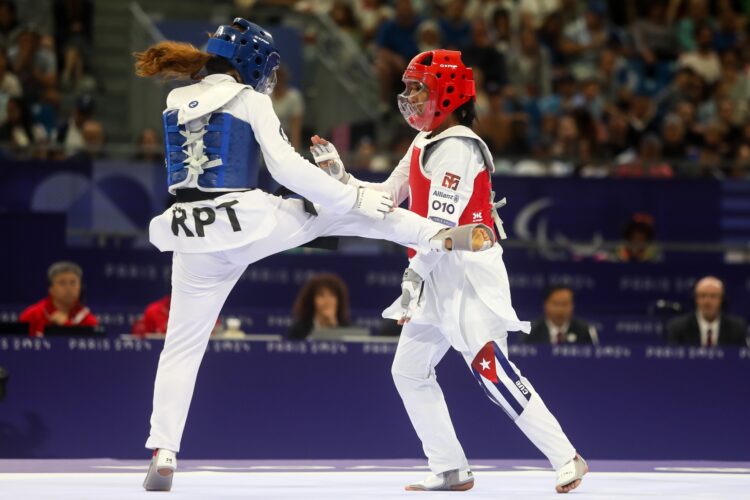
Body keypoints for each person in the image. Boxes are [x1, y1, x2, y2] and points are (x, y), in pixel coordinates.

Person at [133, 19, 493, 492]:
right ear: (251, 63)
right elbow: (288, 170)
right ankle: (440, 235)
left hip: (189, 234)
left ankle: (164, 450)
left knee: (181, 346)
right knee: (346, 212)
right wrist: (354, 197)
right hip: (245, 220)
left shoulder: (173, 101)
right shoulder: (249, 100)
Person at [311, 49, 586, 494]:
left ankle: (565, 456)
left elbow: (442, 230)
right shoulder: (424, 141)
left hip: (466, 270)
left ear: (449, 93)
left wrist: (414, 276)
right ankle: (450, 468)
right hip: (435, 267)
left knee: (489, 366)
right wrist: (341, 178)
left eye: (417, 88)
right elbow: (386, 197)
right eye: (407, 88)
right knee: (410, 370)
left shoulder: (458, 147)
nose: (408, 97)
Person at [19, 261, 97, 336]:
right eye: (62, 282)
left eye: (73, 282)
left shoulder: (88, 320)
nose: (68, 288)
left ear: (80, 287)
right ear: (51, 289)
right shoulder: (32, 316)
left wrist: (66, 324)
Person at [667, 276, 747, 346]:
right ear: (695, 299)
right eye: (702, 295)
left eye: (713, 296)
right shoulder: (677, 327)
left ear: (722, 299)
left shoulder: (737, 328)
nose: (707, 301)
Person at [525, 285, 597, 344]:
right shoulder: (531, 331)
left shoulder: (584, 331)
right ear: (545, 304)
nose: (560, 309)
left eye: (565, 304)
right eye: (556, 304)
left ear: (572, 305)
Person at [288, 273, 351, 339]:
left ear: (339, 301)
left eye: (332, 295)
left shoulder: (348, 330)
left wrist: (334, 326)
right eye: (321, 295)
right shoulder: (298, 330)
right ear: (312, 300)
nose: (327, 301)